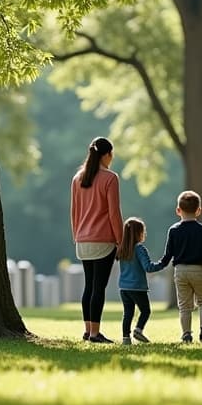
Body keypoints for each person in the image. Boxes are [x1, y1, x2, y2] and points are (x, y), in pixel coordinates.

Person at [157, 190, 202, 343]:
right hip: (199, 270)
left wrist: (158, 265)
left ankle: (186, 333)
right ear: (199, 210)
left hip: (180, 271)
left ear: (178, 210)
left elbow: (168, 255)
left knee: (184, 305)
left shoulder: (173, 230)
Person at [70, 136, 123, 344]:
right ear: (107, 155)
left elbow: (74, 211)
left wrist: (77, 235)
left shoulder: (77, 179)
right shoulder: (110, 178)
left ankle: (87, 330)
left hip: (82, 240)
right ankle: (95, 334)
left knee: (88, 286)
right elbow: (114, 214)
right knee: (98, 287)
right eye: (112, 155)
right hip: (103, 240)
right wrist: (120, 240)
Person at [115, 217, 167, 345]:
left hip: (124, 288)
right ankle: (138, 330)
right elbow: (148, 267)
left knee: (128, 313)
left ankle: (126, 338)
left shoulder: (122, 249)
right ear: (139, 233)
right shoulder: (139, 249)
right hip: (137, 287)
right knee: (145, 310)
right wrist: (163, 263)